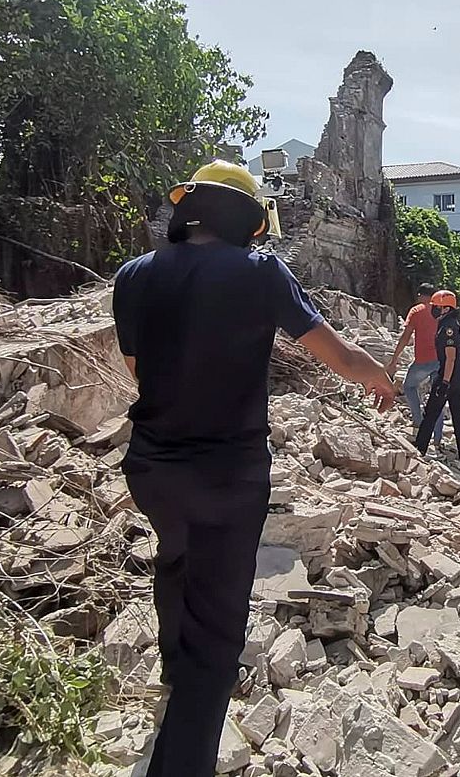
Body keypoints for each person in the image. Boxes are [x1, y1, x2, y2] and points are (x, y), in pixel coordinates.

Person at [113, 160, 396, 777]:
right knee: (218, 625)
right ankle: (183, 754)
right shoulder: (261, 271)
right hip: (228, 472)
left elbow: (138, 368)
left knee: (176, 554)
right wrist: (376, 373)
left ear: (189, 211)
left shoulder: (133, 276)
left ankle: (173, 666)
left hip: (153, 467)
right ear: (249, 220)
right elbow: (334, 353)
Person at [415, 289, 460, 470]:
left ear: (446, 308)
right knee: (458, 416)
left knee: (431, 412)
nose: (433, 310)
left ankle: (419, 451)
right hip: (457, 376)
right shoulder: (449, 323)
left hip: (451, 377)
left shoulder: (448, 327)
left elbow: (451, 357)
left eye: (436, 307)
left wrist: (445, 382)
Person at [386, 283, 443, 445]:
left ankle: (418, 420)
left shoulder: (416, 311)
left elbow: (405, 337)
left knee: (409, 386)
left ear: (420, 296)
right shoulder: (441, 311)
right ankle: (438, 438)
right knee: (437, 396)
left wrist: (394, 359)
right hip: (441, 361)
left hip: (423, 361)